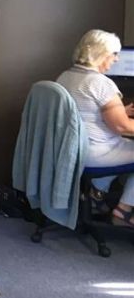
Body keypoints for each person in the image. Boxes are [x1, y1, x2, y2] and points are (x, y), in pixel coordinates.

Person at [57, 30, 134, 227]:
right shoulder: (101, 84)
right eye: (114, 54)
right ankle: (124, 210)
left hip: (71, 150)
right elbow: (121, 126)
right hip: (95, 154)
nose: (116, 59)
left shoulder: (66, 76)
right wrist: (120, 116)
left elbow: (85, 114)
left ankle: (96, 196)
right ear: (101, 53)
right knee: (123, 143)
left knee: (122, 144)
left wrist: (118, 110)